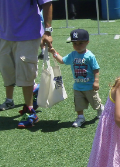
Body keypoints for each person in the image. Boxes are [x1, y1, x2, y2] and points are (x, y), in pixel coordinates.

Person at [0, 0, 53, 128]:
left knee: (25, 73)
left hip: (28, 34)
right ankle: (34, 88)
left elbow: (47, 3)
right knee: (8, 73)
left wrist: (48, 31)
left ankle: (30, 112)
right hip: (4, 34)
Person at [50, 29, 104, 128]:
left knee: (95, 102)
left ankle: (100, 109)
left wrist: (96, 81)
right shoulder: (73, 55)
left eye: (80, 43)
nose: (77, 46)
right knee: (78, 104)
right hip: (78, 86)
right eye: (75, 43)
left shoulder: (90, 56)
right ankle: (80, 117)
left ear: (87, 42)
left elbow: (96, 69)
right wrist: (54, 53)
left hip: (89, 86)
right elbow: (62, 61)